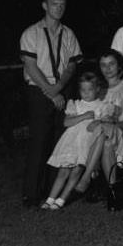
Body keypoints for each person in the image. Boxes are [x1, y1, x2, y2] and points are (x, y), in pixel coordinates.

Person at [19, 0, 82, 207]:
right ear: (45, 5)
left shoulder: (69, 34)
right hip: (39, 89)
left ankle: (52, 190)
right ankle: (31, 194)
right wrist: (50, 91)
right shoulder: (31, 33)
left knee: (60, 141)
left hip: (61, 89)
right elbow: (30, 65)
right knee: (39, 140)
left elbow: (72, 64)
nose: (59, 8)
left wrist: (60, 87)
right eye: (55, 3)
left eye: (63, 4)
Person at [41, 71, 110, 210]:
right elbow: (66, 123)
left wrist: (99, 119)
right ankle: (50, 199)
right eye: (83, 90)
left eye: (90, 89)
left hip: (87, 142)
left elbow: (105, 123)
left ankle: (61, 199)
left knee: (77, 170)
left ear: (97, 89)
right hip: (71, 141)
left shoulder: (102, 106)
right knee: (63, 170)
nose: (86, 93)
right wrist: (84, 116)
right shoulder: (76, 104)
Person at [97, 50, 123, 207]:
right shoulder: (96, 88)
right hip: (97, 131)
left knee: (108, 144)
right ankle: (109, 188)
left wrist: (112, 126)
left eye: (111, 64)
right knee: (102, 140)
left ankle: (111, 189)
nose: (108, 68)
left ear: (119, 66)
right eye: (103, 65)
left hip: (120, 130)